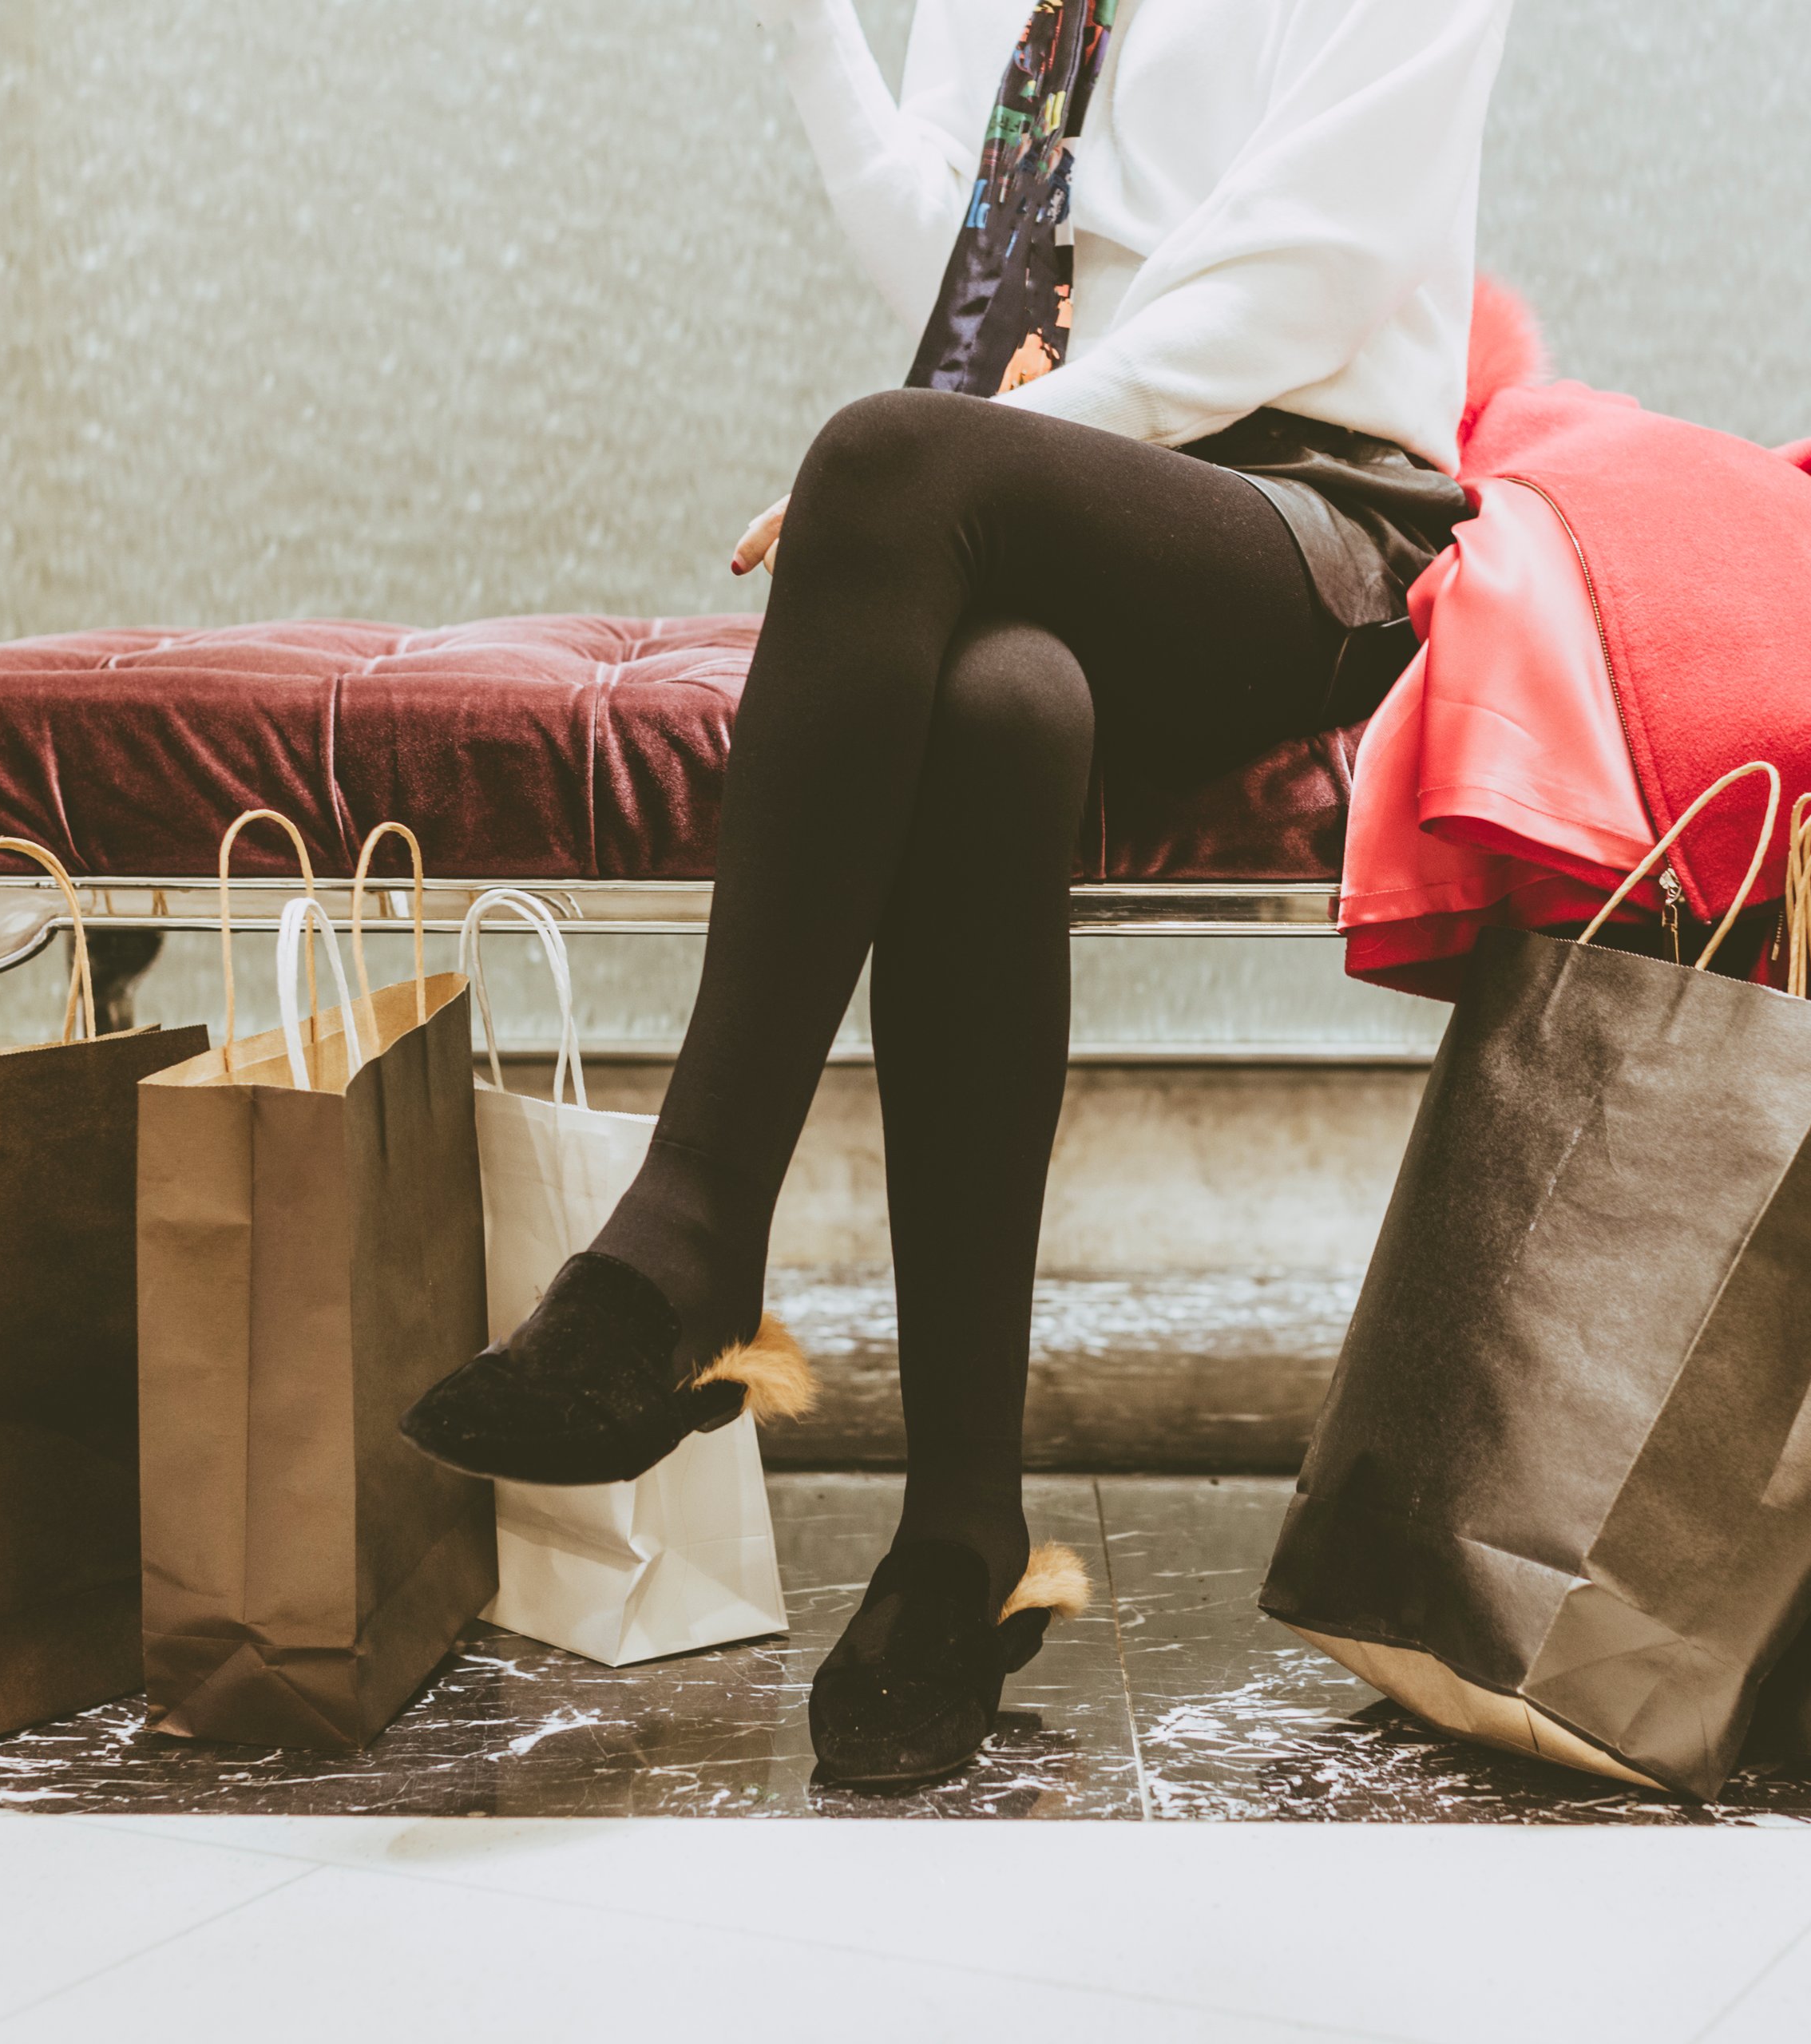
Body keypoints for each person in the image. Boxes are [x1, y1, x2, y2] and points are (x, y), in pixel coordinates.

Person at [406, 0, 1516, 1787]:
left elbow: (1301, 274)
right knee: (1004, 706)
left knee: (880, 460)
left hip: (1311, 521)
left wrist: (949, 480)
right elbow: (964, 259)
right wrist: (808, 39)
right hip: (1054, 491)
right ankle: (964, 1540)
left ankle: (685, 1245)